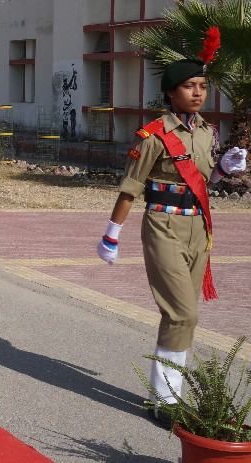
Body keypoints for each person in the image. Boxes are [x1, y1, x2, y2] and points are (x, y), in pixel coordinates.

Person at [96, 41, 247, 425]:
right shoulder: (154, 135)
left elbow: (203, 181)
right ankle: (165, 401)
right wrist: (112, 234)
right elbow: (131, 187)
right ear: (170, 91)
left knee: (178, 316)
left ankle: (164, 394)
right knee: (183, 313)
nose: (197, 92)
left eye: (202, 85)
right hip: (163, 226)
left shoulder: (208, 132)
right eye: (189, 86)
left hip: (199, 229)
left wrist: (225, 168)